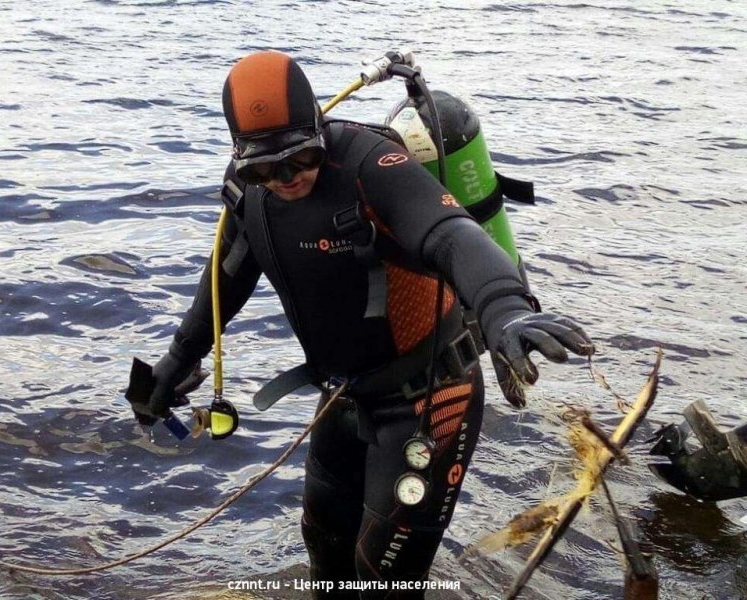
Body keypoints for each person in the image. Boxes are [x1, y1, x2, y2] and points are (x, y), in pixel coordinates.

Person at [145, 50, 595, 598]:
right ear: (241, 157)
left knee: (384, 577)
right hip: (343, 395)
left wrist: (506, 308)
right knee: (326, 549)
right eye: (265, 168)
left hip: (429, 399)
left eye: (300, 159)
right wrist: (177, 360)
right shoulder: (250, 194)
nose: (286, 179)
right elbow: (228, 276)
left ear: (319, 128)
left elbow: (452, 235)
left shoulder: (371, 167)